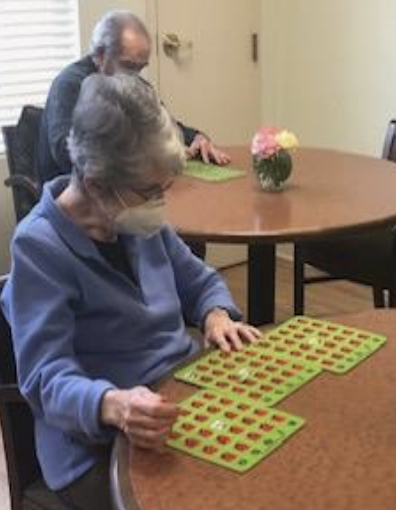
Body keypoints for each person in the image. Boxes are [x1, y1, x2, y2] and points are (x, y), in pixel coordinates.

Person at [1, 73, 259, 510]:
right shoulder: (38, 248)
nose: (159, 203)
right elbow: (45, 381)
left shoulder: (135, 218)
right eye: (150, 191)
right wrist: (113, 404)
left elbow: (199, 281)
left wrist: (215, 313)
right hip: (95, 446)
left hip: (177, 399)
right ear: (97, 182)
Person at [38, 10, 226, 260]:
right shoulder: (70, 84)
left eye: (140, 68)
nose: (134, 76)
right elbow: (65, 151)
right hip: (87, 203)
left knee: (186, 242)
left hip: (126, 192)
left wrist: (194, 137)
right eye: (128, 66)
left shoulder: (133, 85)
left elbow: (159, 125)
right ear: (100, 54)